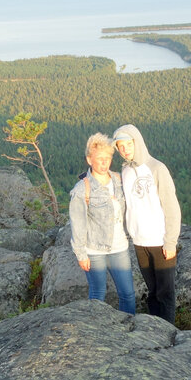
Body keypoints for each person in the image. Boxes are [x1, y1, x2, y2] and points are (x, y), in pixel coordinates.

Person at [112, 124, 181, 324]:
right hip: (139, 241)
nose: (125, 149)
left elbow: (171, 207)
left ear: (137, 142)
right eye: (120, 146)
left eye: (128, 144)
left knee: (165, 292)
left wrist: (170, 241)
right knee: (152, 291)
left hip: (160, 241)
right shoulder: (125, 171)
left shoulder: (157, 168)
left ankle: (169, 333)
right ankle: (155, 331)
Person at [69, 133, 136, 314]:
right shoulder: (82, 189)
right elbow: (78, 224)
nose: (104, 163)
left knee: (128, 294)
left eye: (107, 158)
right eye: (99, 159)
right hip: (94, 249)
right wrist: (81, 254)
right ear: (89, 160)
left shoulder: (119, 180)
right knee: (98, 293)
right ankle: (95, 331)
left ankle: (128, 332)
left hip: (120, 246)